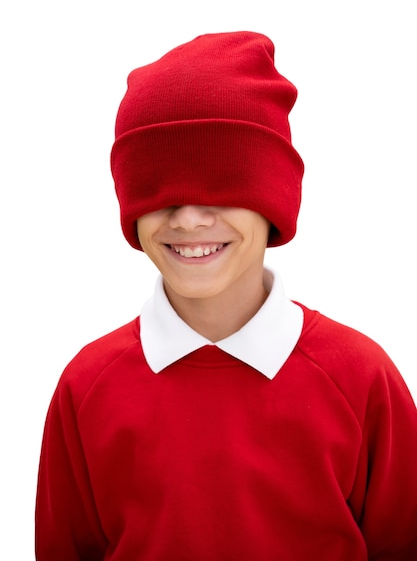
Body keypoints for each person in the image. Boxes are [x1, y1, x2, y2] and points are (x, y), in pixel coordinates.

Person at [35, 31, 417, 560]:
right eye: (159, 187)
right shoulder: (87, 386)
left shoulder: (361, 379)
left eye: (222, 180)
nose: (189, 217)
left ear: (274, 198)